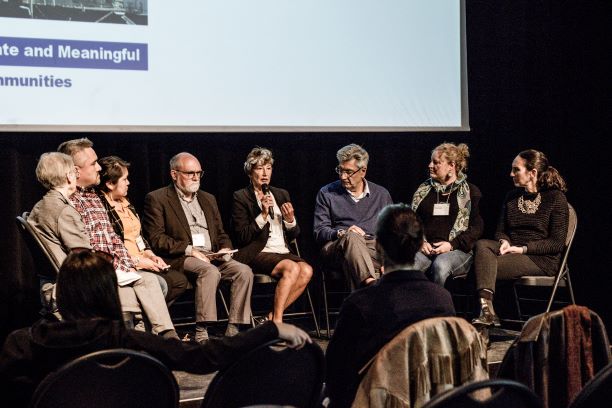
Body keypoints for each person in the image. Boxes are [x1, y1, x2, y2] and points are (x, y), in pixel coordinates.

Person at [0, 251, 311, 408]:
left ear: (63, 293)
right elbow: (204, 357)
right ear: (109, 292)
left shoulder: (21, 344)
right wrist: (271, 329)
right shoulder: (128, 341)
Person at [325, 204, 456, 408]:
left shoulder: (360, 304)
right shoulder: (443, 299)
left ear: (377, 247)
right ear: (419, 245)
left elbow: (334, 374)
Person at [57, 138, 178, 339]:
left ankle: (166, 336)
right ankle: (143, 343)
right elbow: (88, 249)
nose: (98, 168)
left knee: (152, 282)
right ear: (76, 171)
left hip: (119, 268)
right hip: (99, 273)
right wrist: (123, 266)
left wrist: (129, 264)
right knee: (143, 289)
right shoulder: (72, 203)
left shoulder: (92, 196)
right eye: (93, 163)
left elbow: (113, 239)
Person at [142, 152, 253, 343]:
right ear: (174, 174)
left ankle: (234, 328)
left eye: (199, 173)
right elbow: (157, 239)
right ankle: (202, 330)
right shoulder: (158, 198)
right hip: (181, 257)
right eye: (190, 173)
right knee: (209, 271)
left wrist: (225, 248)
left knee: (243, 271)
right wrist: (189, 249)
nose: (195, 177)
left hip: (212, 255)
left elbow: (221, 233)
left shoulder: (208, 199)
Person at [472, 149, 569, 327]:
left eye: (516, 169)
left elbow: (556, 243)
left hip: (540, 259)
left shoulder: (556, 198)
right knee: (483, 245)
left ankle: (486, 313)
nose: (511, 174)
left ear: (532, 173)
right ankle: (488, 312)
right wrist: (504, 241)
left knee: (480, 268)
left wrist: (523, 249)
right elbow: (500, 231)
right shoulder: (512, 197)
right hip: (512, 250)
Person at [231, 147, 313, 323]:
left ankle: (269, 318)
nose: (264, 173)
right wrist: (263, 215)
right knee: (292, 268)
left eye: (268, 168)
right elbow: (242, 236)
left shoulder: (281, 194)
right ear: (250, 171)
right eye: (259, 168)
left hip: (282, 250)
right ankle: (277, 322)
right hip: (257, 251)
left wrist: (291, 220)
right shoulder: (241, 197)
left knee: (306, 270)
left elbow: (293, 235)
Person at [97, 156, 188, 303]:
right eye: (124, 179)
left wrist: (151, 256)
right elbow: (111, 249)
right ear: (109, 184)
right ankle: (147, 321)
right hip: (125, 264)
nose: (129, 183)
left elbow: (138, 236)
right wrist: (139, 262)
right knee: (162, 284)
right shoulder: (101, 208)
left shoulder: (126, 202)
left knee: (179, 281)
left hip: (142, 259)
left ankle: (147, 320)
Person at [313, 144, 393, 289]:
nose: (343, 176)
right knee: (353, 238)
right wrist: (341, 233)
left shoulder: (381, 194)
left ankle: (365, 302)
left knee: (354, 261)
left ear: (363, 171)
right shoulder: (327, 193)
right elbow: (319, 231)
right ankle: (371, 286)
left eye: (348, 172)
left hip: (372, 248)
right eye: (340, 170)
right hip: (337, 247)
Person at [411, 142, 484, 285]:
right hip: (426, 249)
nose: (430, 165)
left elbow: (477, 228)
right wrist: (420, 241)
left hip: (458, 250)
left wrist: (451, 245)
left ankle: (438, 306)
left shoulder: (470, 192)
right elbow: (411, 222)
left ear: (452, 165)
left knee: (441, 265)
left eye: (436, 162)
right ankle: (412, 306)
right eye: (431, 161)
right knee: (408, 266)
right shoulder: (423, 190)